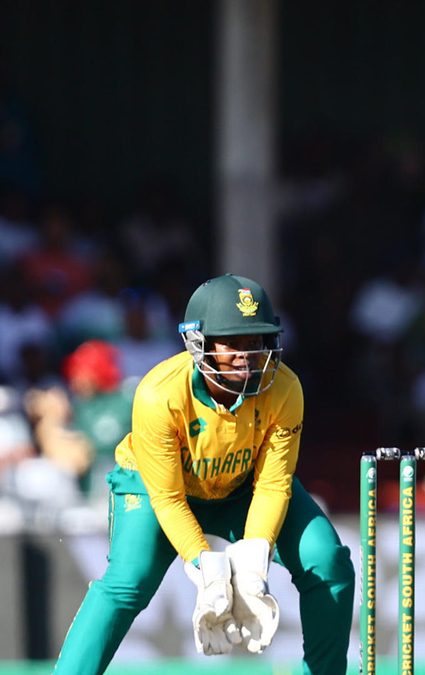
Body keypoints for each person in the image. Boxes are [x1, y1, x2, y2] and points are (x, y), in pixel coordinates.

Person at [54, 274, 354, 675]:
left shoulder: (285, 388)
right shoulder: (158, 394)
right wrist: (204, 564)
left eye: (256, 341)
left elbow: (273, 483)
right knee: (129, 581)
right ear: (200, 343)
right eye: (232, 342)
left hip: (243, 486)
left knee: (327, 560)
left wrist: (253, 558)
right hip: (155, 487)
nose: (247, 355)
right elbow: (168, 498)